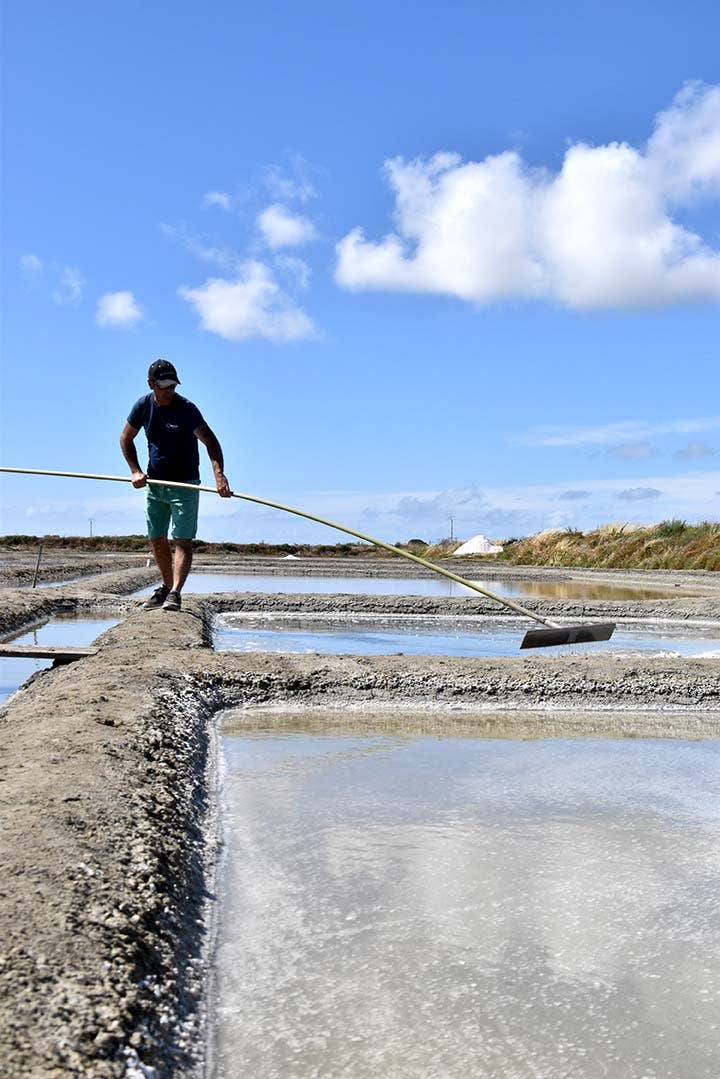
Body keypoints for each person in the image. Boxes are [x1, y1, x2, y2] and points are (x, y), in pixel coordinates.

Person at [120, 359, 232, 611]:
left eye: (173, 386)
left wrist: (219, 475)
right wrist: (135, 471)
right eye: (165, 386)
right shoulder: (142, 406)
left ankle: (175, 593)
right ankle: (166, 586)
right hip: (155, 483)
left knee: (182, 539)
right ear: (151, 384)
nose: (170, 391)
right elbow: (125, 438)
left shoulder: (186, 409)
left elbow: (211, 442)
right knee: (156, 538)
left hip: (185, 485)